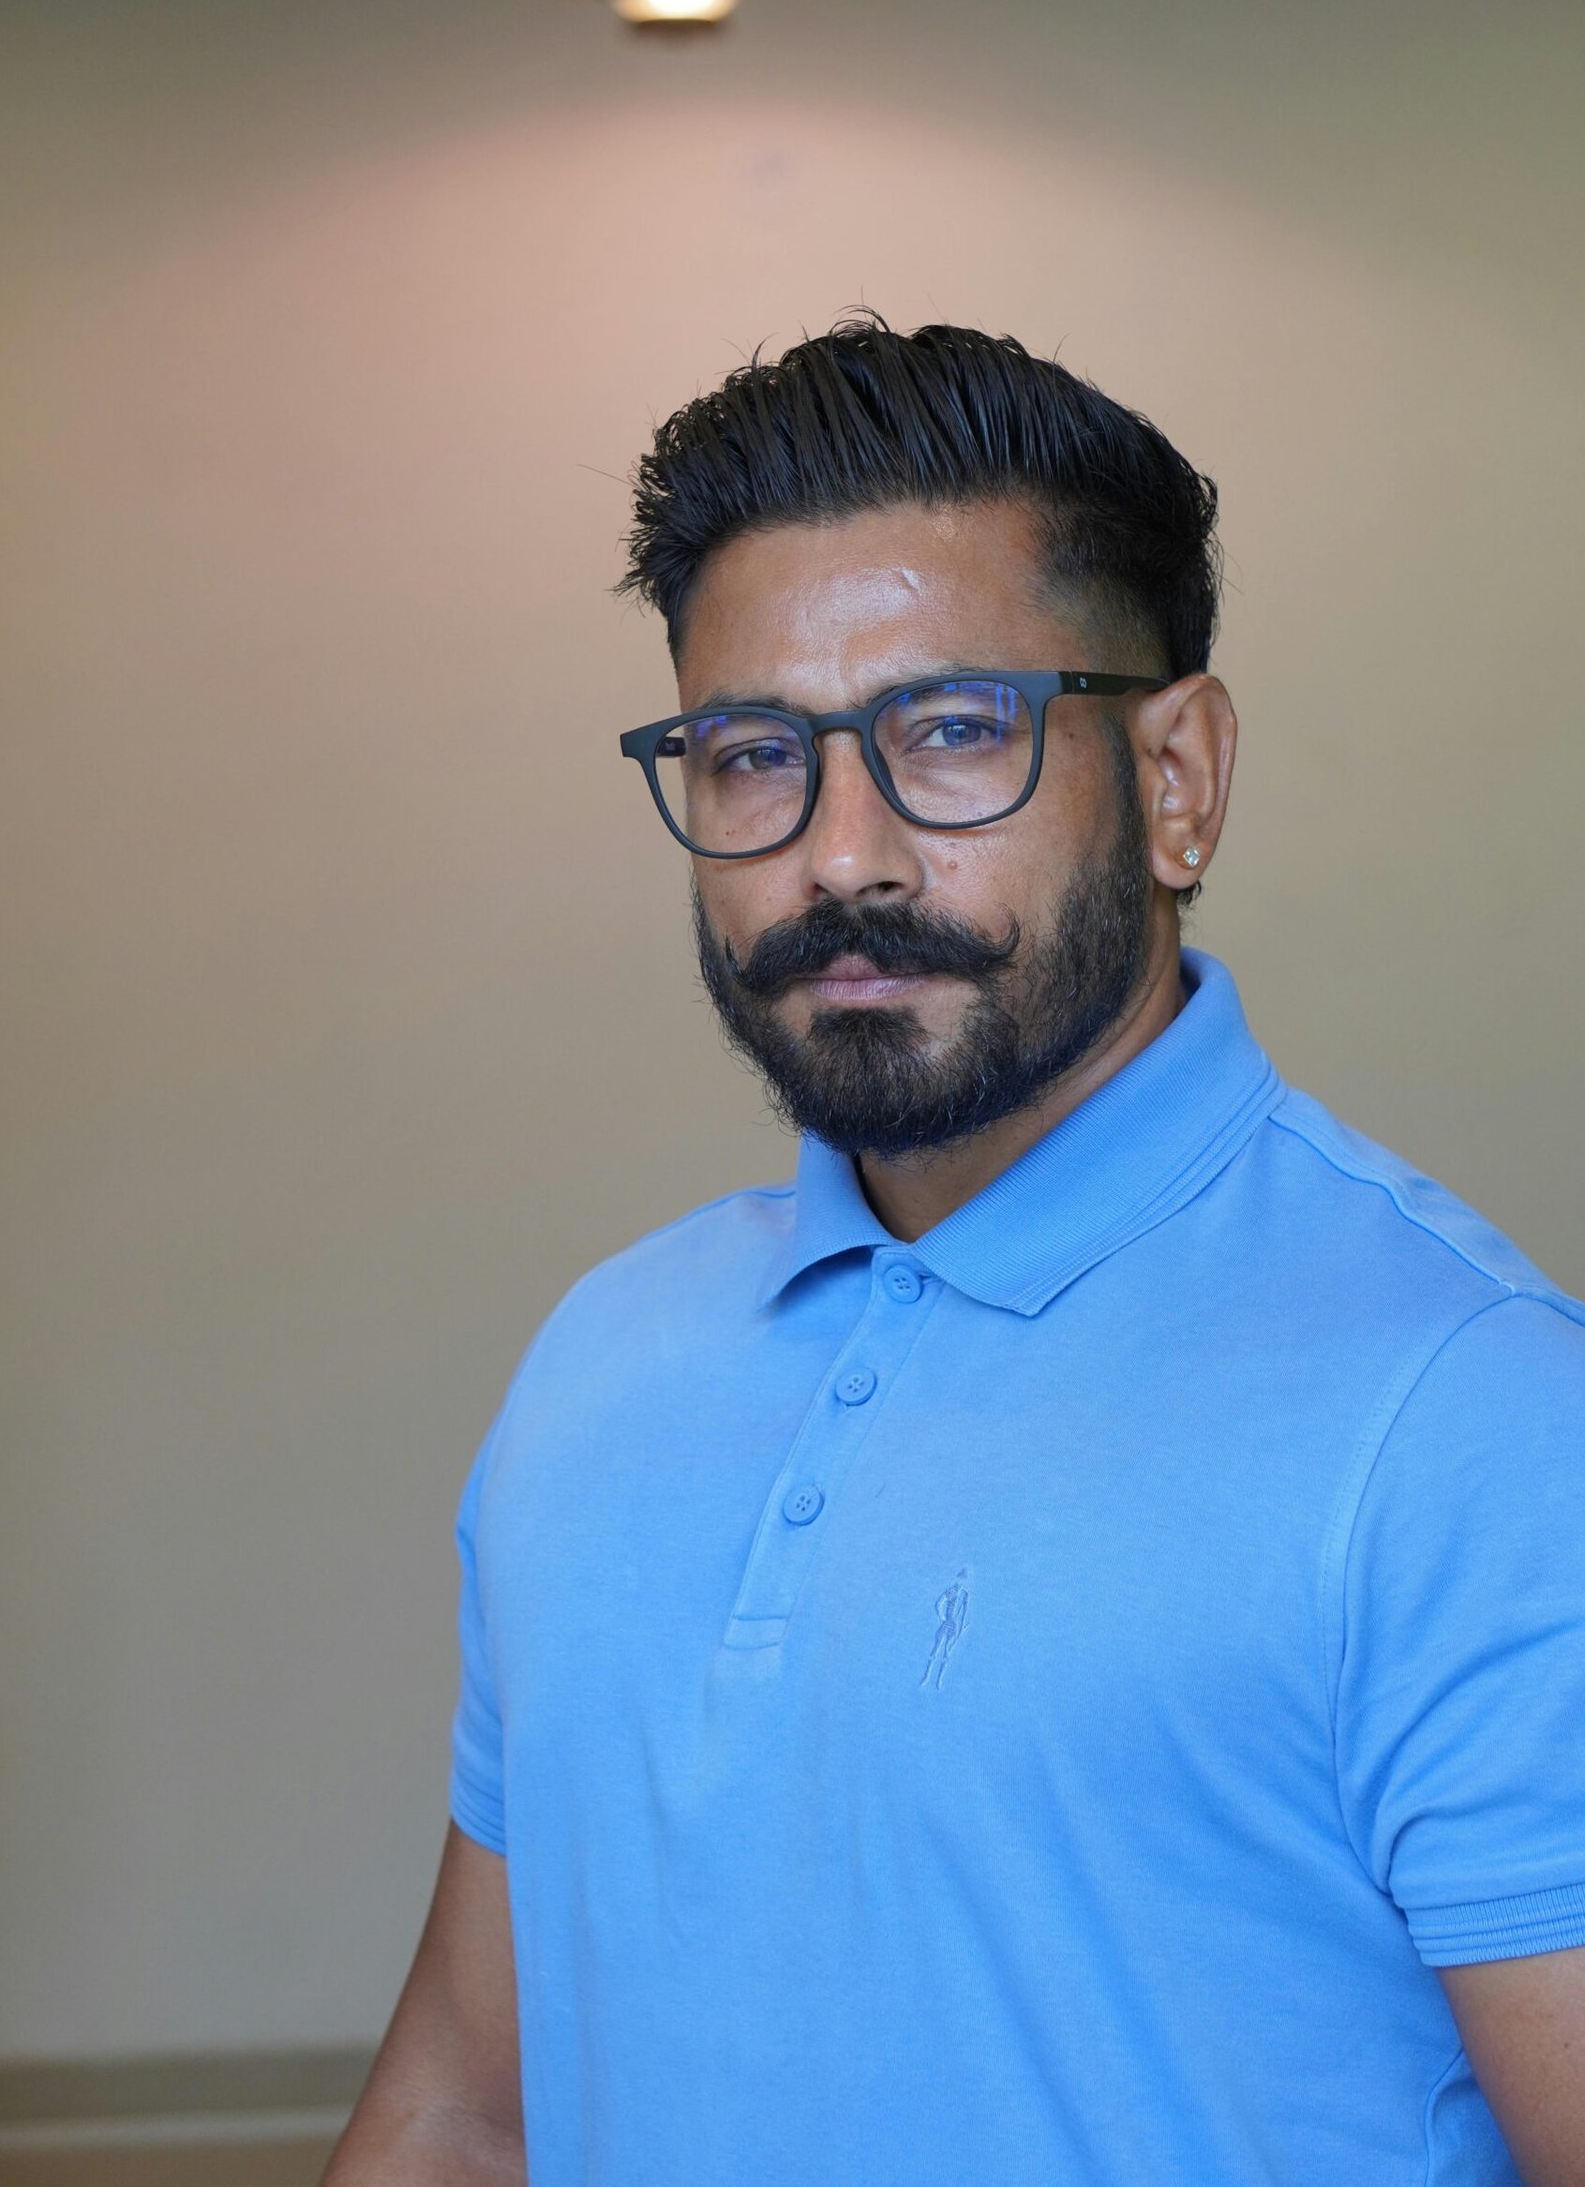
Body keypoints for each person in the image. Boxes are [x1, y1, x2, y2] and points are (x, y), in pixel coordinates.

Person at [323, 317, 1585, 2187]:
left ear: (1179, 779)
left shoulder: (1479, 1415)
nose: (843, 855)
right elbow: (469, 2109)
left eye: (951, 733)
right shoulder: (605, 1360)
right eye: (754, 754)